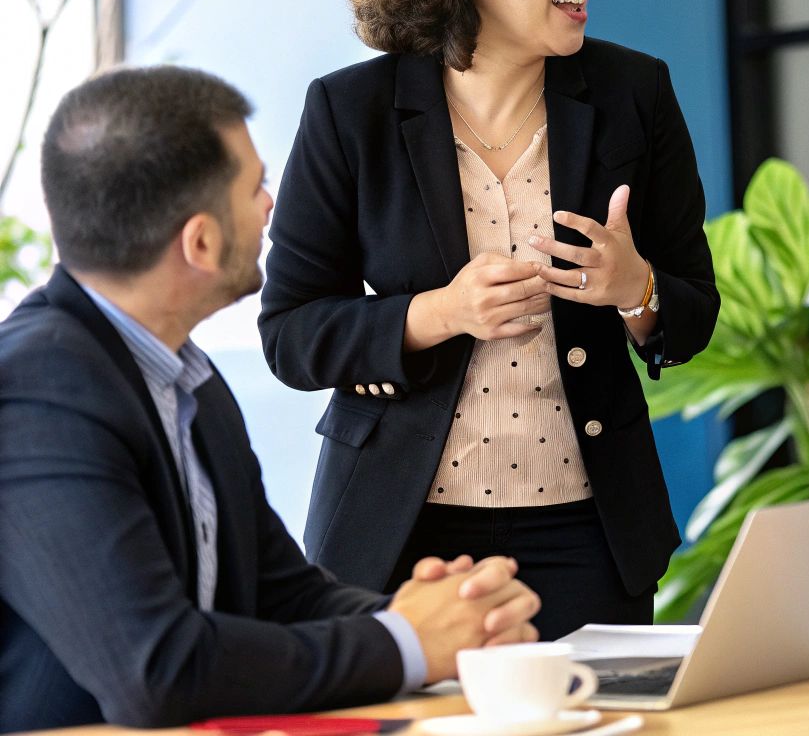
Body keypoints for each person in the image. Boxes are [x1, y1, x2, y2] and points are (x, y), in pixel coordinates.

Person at [258, 0, 718, 637]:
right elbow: (291, 333)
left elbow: (693, 312)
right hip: (401, 536)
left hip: (590, 532)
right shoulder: (350, 111)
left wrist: (634, 290)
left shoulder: (633, 96)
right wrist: (438, 313)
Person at [0, 67, 542, 732]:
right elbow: (157, 672)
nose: (270, 204)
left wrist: (441, 617)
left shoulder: (186, 379)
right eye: (253, 185)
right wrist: (405, 642)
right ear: (199, 242)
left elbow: (282, 593)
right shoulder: (36, 391)